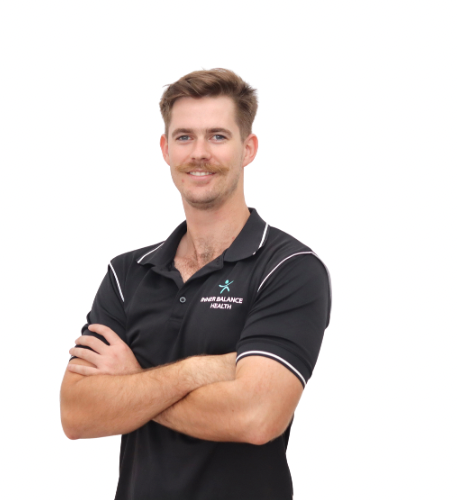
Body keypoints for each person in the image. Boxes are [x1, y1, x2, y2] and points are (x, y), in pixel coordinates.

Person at [60, 68, 331, 500]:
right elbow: (77, 414)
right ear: (166, 149)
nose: (199, 153)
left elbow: (256, 417)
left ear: (248, 149)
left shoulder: (288, 268)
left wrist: (131, 384)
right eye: (184, 137)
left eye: (218, 136)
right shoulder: (127, 274)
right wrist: (200, 371)